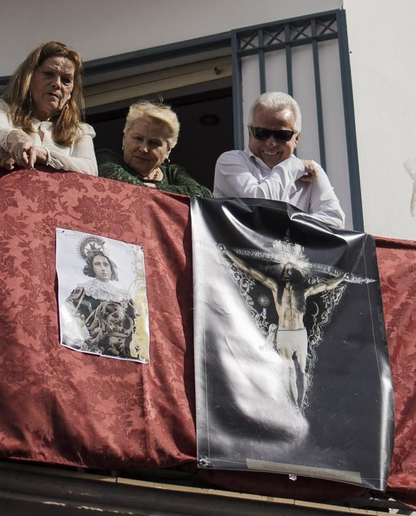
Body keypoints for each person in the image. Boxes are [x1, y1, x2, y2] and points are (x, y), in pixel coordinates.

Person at [224, 249, 350, 406]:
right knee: (288, 369)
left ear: (296, 273)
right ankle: (293, 404)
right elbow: (249, 270)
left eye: (290, 270)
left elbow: (325, 286)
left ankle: (301, 402)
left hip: (300, 334)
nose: (287, 272)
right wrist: (228, 253)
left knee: (302, 372)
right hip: (284, 334)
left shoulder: (303, 293)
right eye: (285, 269)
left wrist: (342, 277)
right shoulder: (276, 288)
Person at [213, 92, 346, 229]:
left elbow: (335, 222)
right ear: (249, 133)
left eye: (282, 135)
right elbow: (260, 206)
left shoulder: (309, 170)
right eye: (262, 133)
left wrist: (287, 222)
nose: (271, 143)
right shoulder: (230, 161)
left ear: (297, 139)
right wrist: (290, 166)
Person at [0, 40, 97, 174]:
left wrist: (40, 154)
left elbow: (90, 170)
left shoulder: (79, 132)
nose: (57, 84)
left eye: (66, 80)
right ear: (29, 78)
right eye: (48, 74)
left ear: (70, 93)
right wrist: (16, 138)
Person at [97, 100, 210, 196]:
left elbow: (204, 194)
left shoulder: (173, 173)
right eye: (138, 138)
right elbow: (116, 180)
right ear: (124, 138)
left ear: (168, 151)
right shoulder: (106, 158)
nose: (143, 148)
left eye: (154, 143)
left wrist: (155, 188)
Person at [64, 236, 137, 358]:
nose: (103, 268)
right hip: (93, 348)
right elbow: (68, 314)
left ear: (111, 267)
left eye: (106, 264)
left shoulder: (123, 295)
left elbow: (135, 321)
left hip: (123, 349)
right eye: (97, 264)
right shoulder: (84, 290)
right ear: (92, 268)